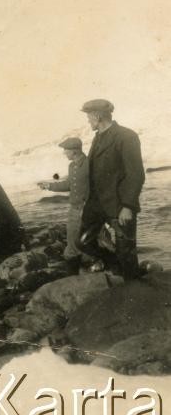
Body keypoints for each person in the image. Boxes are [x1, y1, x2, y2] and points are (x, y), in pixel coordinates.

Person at [78, 99, 145, 281]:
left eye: (88, 116)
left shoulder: (126, 136)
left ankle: (134, 292)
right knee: (83, 242)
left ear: (97, 116)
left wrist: (128, 206)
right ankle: (115, 264)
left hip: (118, 205)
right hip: (96, 205)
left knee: (127, 253)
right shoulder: (97, 137)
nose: (88, 121)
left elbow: (136, 174)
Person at [38, 137, 91, 274]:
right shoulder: (72, 165)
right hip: (74, 209)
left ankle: (74, 275)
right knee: (73, 242)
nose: (64, 153)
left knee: (85, 241)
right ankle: (75, 275)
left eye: (65, 150)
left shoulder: (89, 164)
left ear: (74, 151)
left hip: (87, 209)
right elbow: (69, 185)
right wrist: (49, 186)